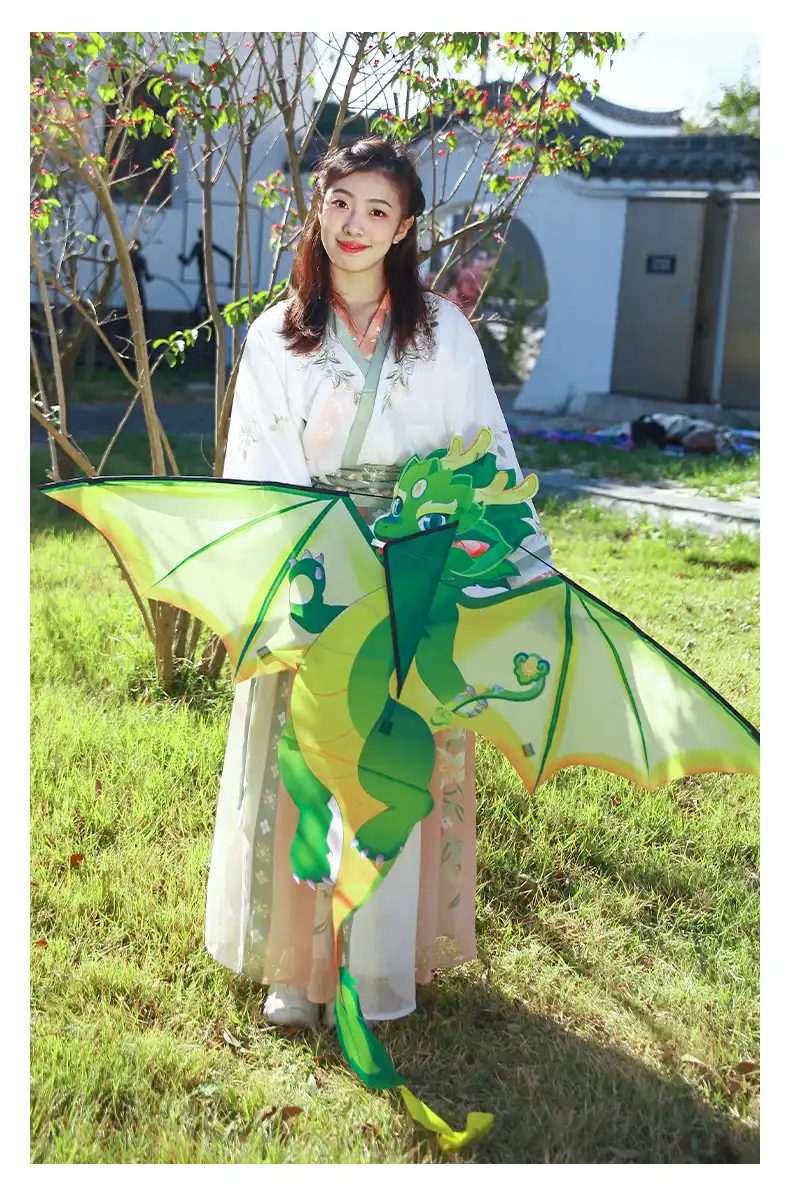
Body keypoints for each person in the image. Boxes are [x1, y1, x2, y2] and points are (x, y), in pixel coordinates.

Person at [204, 137, 555, 1029]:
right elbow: (259, 466)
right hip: (313, 574)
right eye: (340, 203)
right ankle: (297, 965)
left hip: (417, 571)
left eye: (377, 210)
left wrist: (507, 561)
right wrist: (312, 561)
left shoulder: (444, 334)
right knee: (304, 768)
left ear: (404, 229)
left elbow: (483, 451)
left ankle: (378, 960)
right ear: (316, 211)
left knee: (397, 767)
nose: (354, 226)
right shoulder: (278, 337)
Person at [178, 229, 234, 316]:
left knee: (205, 296)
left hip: (207, 278)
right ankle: (202, 313)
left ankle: (202, 314)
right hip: (205, 277)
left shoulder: (201, 246)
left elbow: (187, 262)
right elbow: (230, 258)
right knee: (205, 296)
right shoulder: (204, 245)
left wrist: (231, 280)